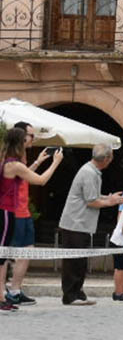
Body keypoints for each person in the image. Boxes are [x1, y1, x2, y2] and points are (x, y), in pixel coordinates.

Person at [1, 126, 63, 311]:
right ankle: (2, 296)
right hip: (6, 211)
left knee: (4, 255)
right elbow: (41, 180)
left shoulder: (10, 161)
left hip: (9, 212)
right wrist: (55, 162)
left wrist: (37, 162)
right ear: (20, 142)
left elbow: (22, 177)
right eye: (28, 137)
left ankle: (6, 295)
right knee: (2, 255)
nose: (31, 140)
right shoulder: (14, 164)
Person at [58, 143, 122, 306]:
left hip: (81, 224)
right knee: (74, 260)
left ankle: (77, 292)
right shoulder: (89, 173)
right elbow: (91, 201)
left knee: (80, 260)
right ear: (107, 158)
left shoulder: (92, 171)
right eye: (111, 157)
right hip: (75, 223)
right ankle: (70, 295)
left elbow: (92, 195)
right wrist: (111, 202)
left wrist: (109, 198)